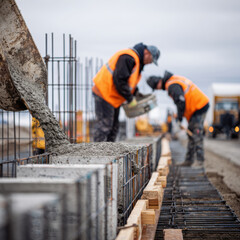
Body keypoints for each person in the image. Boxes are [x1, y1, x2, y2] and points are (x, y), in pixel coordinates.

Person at [92, 43, 160, 142]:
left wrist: (136, 93)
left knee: (114, 127)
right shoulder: (129, 57)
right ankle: (97, 153)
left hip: (112, 97)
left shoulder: (135, 61)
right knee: (105, 126)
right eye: (151, 60)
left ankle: (109, 153)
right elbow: (120, 80)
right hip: (104, 93)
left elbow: (128, 83)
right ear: (147, 53)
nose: (150, 63)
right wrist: (130, 98)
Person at [147, 71, 209, 167]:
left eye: (156, 87)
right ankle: (189, 160)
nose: (158, 89)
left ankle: (200, 161)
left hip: (199, 107)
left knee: (196, 134)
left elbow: (180, 101)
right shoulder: (172, 82)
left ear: (158, 82)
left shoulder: (172, 85)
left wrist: (179, 118)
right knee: (192, 134)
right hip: (196, 108)